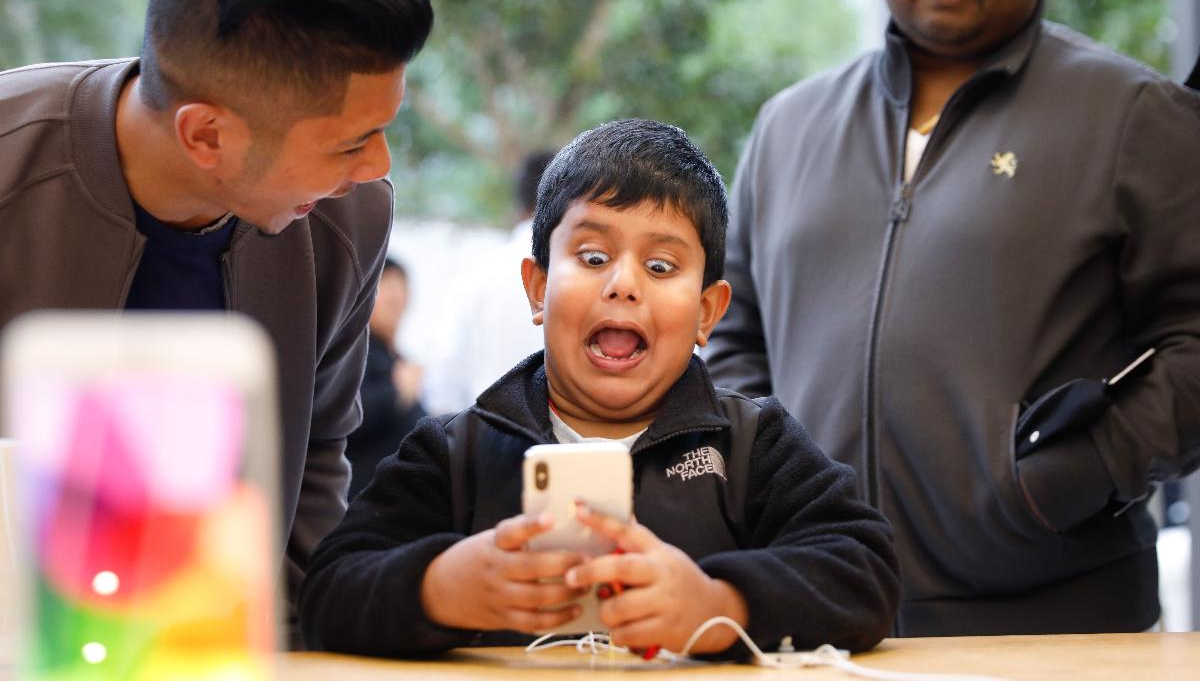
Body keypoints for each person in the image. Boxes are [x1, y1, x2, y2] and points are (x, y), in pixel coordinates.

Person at [705, 0, 1200, 636]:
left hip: (1061, 625)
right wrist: (767, 494)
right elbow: (732, 342)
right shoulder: (787, 127)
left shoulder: (1134, 115)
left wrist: (1071, 476)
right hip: (816, 618)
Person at [0, 0, 433, 644]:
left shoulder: (349, 220)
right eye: (348, 143)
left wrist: (291, 644)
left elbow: (322, 452)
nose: (377, 167)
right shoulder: (13, 166)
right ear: (205, 136)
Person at [298, 118, 900, 657]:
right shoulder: (454, 452)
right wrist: (440, 589)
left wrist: (720, 605)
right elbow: (330, 592)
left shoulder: (752, 445)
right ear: (537, 289)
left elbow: (865, 571)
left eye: (661, 267)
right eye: (591, 256)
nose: (623, 284)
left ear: (707, 313)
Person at [423, 151, 555, 415]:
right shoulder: (594, 276)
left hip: (483, 438)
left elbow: (442, 389)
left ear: (518, 205)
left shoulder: (475, 278)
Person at [347, 258, 427, 499]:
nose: (395, 298)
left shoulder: (398, 358)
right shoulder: (354, 353)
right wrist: (397, 392)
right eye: (386, 287)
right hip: (362, 500)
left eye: (400, 287)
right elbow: (347, 416)